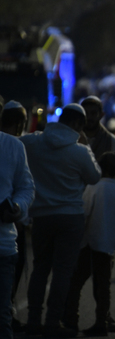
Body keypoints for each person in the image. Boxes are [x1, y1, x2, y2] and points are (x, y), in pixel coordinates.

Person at [21, 103, 102, 337]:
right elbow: (95, 177)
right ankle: (53, 322)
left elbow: (17, 144)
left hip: (41, 216)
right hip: (70, 216)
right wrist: (85, 145)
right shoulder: (80, 151)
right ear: (78, 125)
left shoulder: (33, 142)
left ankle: (33, 319)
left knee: (40, 269)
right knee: (63, 272)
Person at [63, 152, 115, 336]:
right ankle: (102, 322)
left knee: (76, 281)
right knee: (103, 285)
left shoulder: (93, 187)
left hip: (89, 243)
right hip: (108, 245)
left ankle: (71, 319)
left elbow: (83, 213)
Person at [0, 99, 35, 339]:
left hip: (3, 245)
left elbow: (26, 188)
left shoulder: (13, 146)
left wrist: (17, 207)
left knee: (2, 316)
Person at [80, 96, 115, 194]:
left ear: (101, 115)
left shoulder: (114, 143)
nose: (89, 117)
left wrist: (111, 197)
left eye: (93, 113)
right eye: (86, 113)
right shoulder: (73, 140)